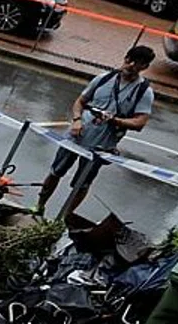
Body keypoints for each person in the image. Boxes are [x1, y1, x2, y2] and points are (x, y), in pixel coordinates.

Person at [37, 45, 155, 221]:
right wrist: (76, 120)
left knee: (82, 184)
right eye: (128, 60)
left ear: (144, 67)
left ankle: (63, 218)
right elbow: (81, 101)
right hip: (76, 137)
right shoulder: (103, 78)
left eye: (136, 64)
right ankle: (38, 207)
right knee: (56, 172)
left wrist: (116, 121)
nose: (129, 66)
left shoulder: (144, 91)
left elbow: (140, 122)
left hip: (101, 145)